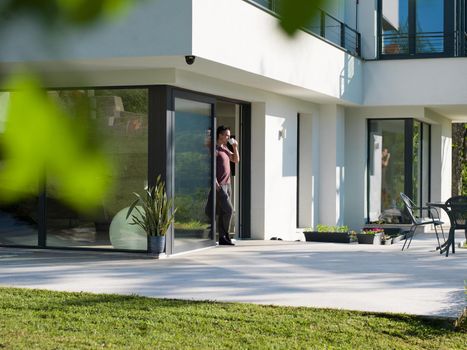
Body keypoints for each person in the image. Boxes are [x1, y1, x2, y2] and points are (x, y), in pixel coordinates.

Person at [205, 125, 239, 245]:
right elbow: (210, 166)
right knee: (229, 210)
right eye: (227, 135)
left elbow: (236, 160)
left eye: (229, 136)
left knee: (224, 211)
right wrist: (215, 182)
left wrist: (235, 147)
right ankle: (224, 236)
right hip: (219, 185)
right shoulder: (214, 149)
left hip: (227, 184)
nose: (229, 137)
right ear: (220, 135)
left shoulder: (224, 148)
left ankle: (222, 238)